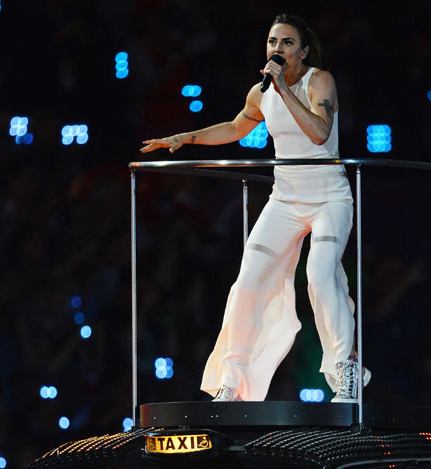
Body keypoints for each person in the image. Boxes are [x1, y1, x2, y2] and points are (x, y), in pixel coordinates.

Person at [140, 13, 358, 403]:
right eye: (273, 42)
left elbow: (321, 132)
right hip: (285, 200)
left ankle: (345, 374)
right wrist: (185, 137)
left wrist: (284, 90)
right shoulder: (260, 93)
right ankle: (233, 379)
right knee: (246, 284)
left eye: (287, 43)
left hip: (329, 198)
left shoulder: (319, 80)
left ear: (303, 51)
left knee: (320, 277)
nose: (278, 49)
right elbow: (235, 127)